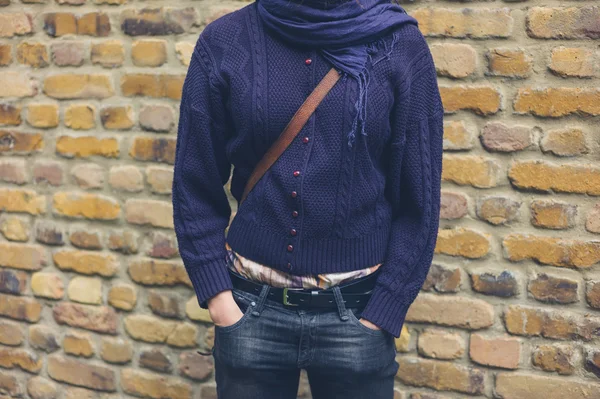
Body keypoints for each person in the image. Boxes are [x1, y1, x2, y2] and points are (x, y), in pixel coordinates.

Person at [172, 0, 444, 397]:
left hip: (356, 313)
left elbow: (419, 199)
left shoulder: (398, 44)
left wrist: (383, 312)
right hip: (249, 309)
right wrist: (219, 301)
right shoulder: (225, 41)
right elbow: (194, 182)